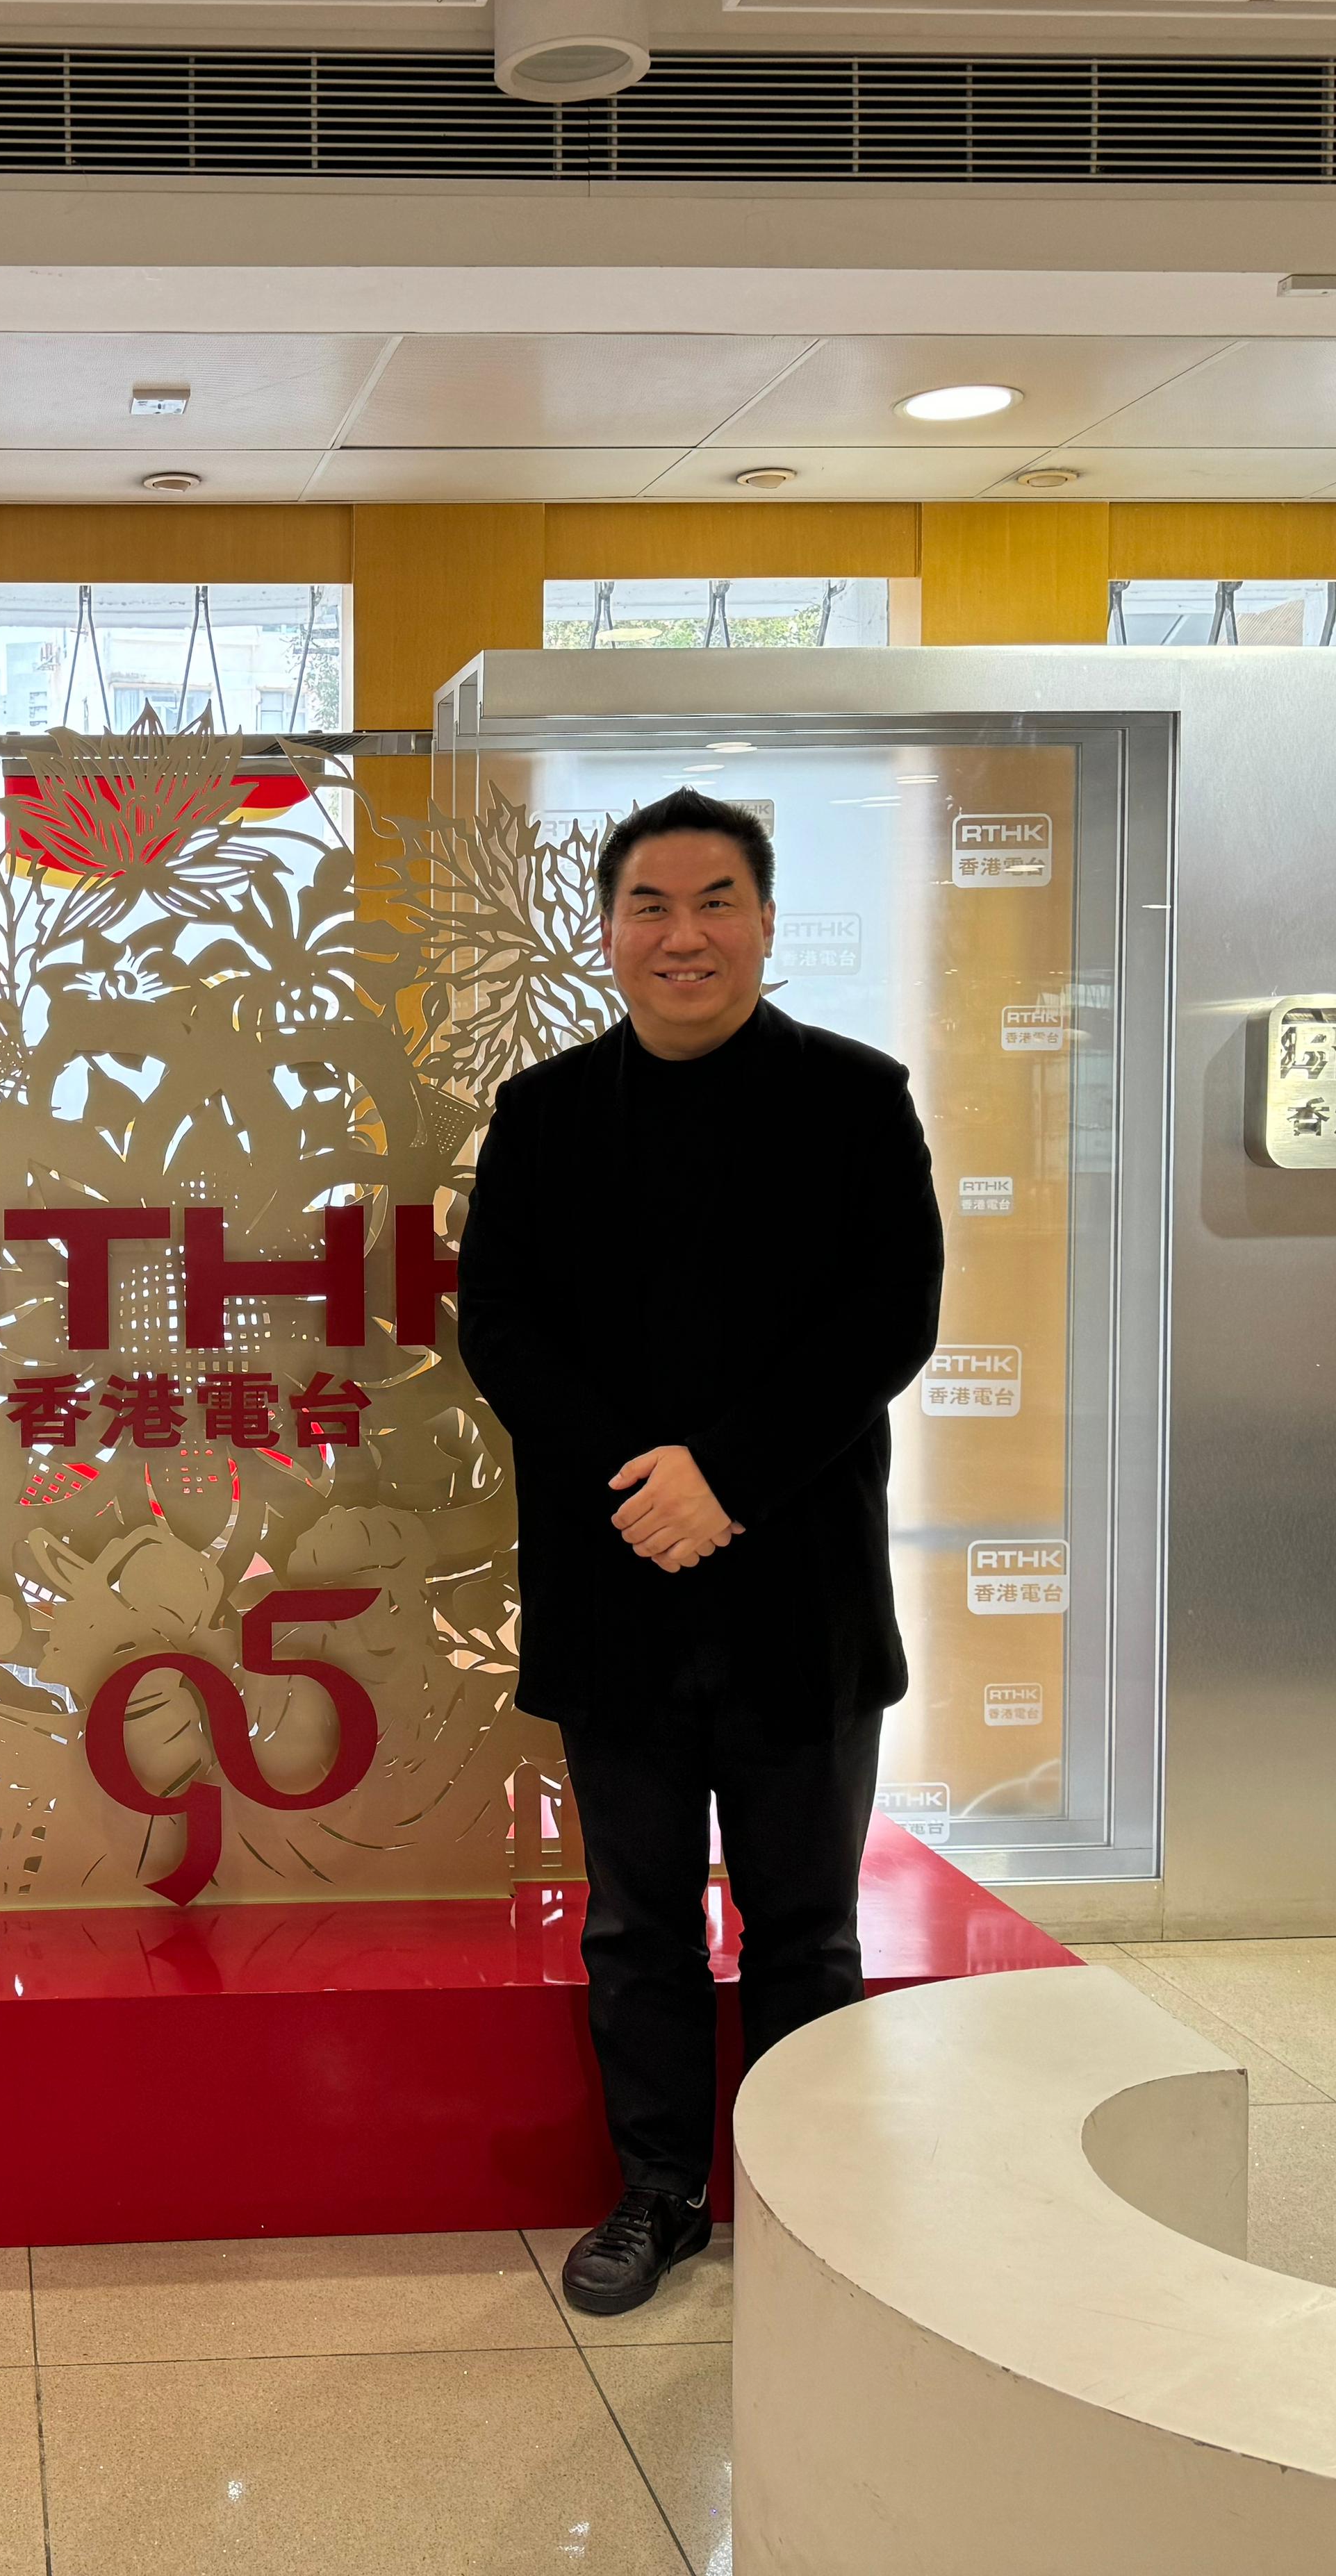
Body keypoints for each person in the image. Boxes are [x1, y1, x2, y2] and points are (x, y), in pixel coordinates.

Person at [456, 788, 944, 2317]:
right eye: (651, 906)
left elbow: (891, 1318)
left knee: (806, 1925)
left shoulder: (856, 1099)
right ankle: (659, 2192)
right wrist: (645, 1489)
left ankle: (812, 2210)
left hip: (801, 1584)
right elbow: (499, 1330)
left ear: (768, 923)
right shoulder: (543, 1115)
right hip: (615, 1582)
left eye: (716, 900)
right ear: (607, 933)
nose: (685, 934)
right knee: (637, 1922)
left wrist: (723, 1477)